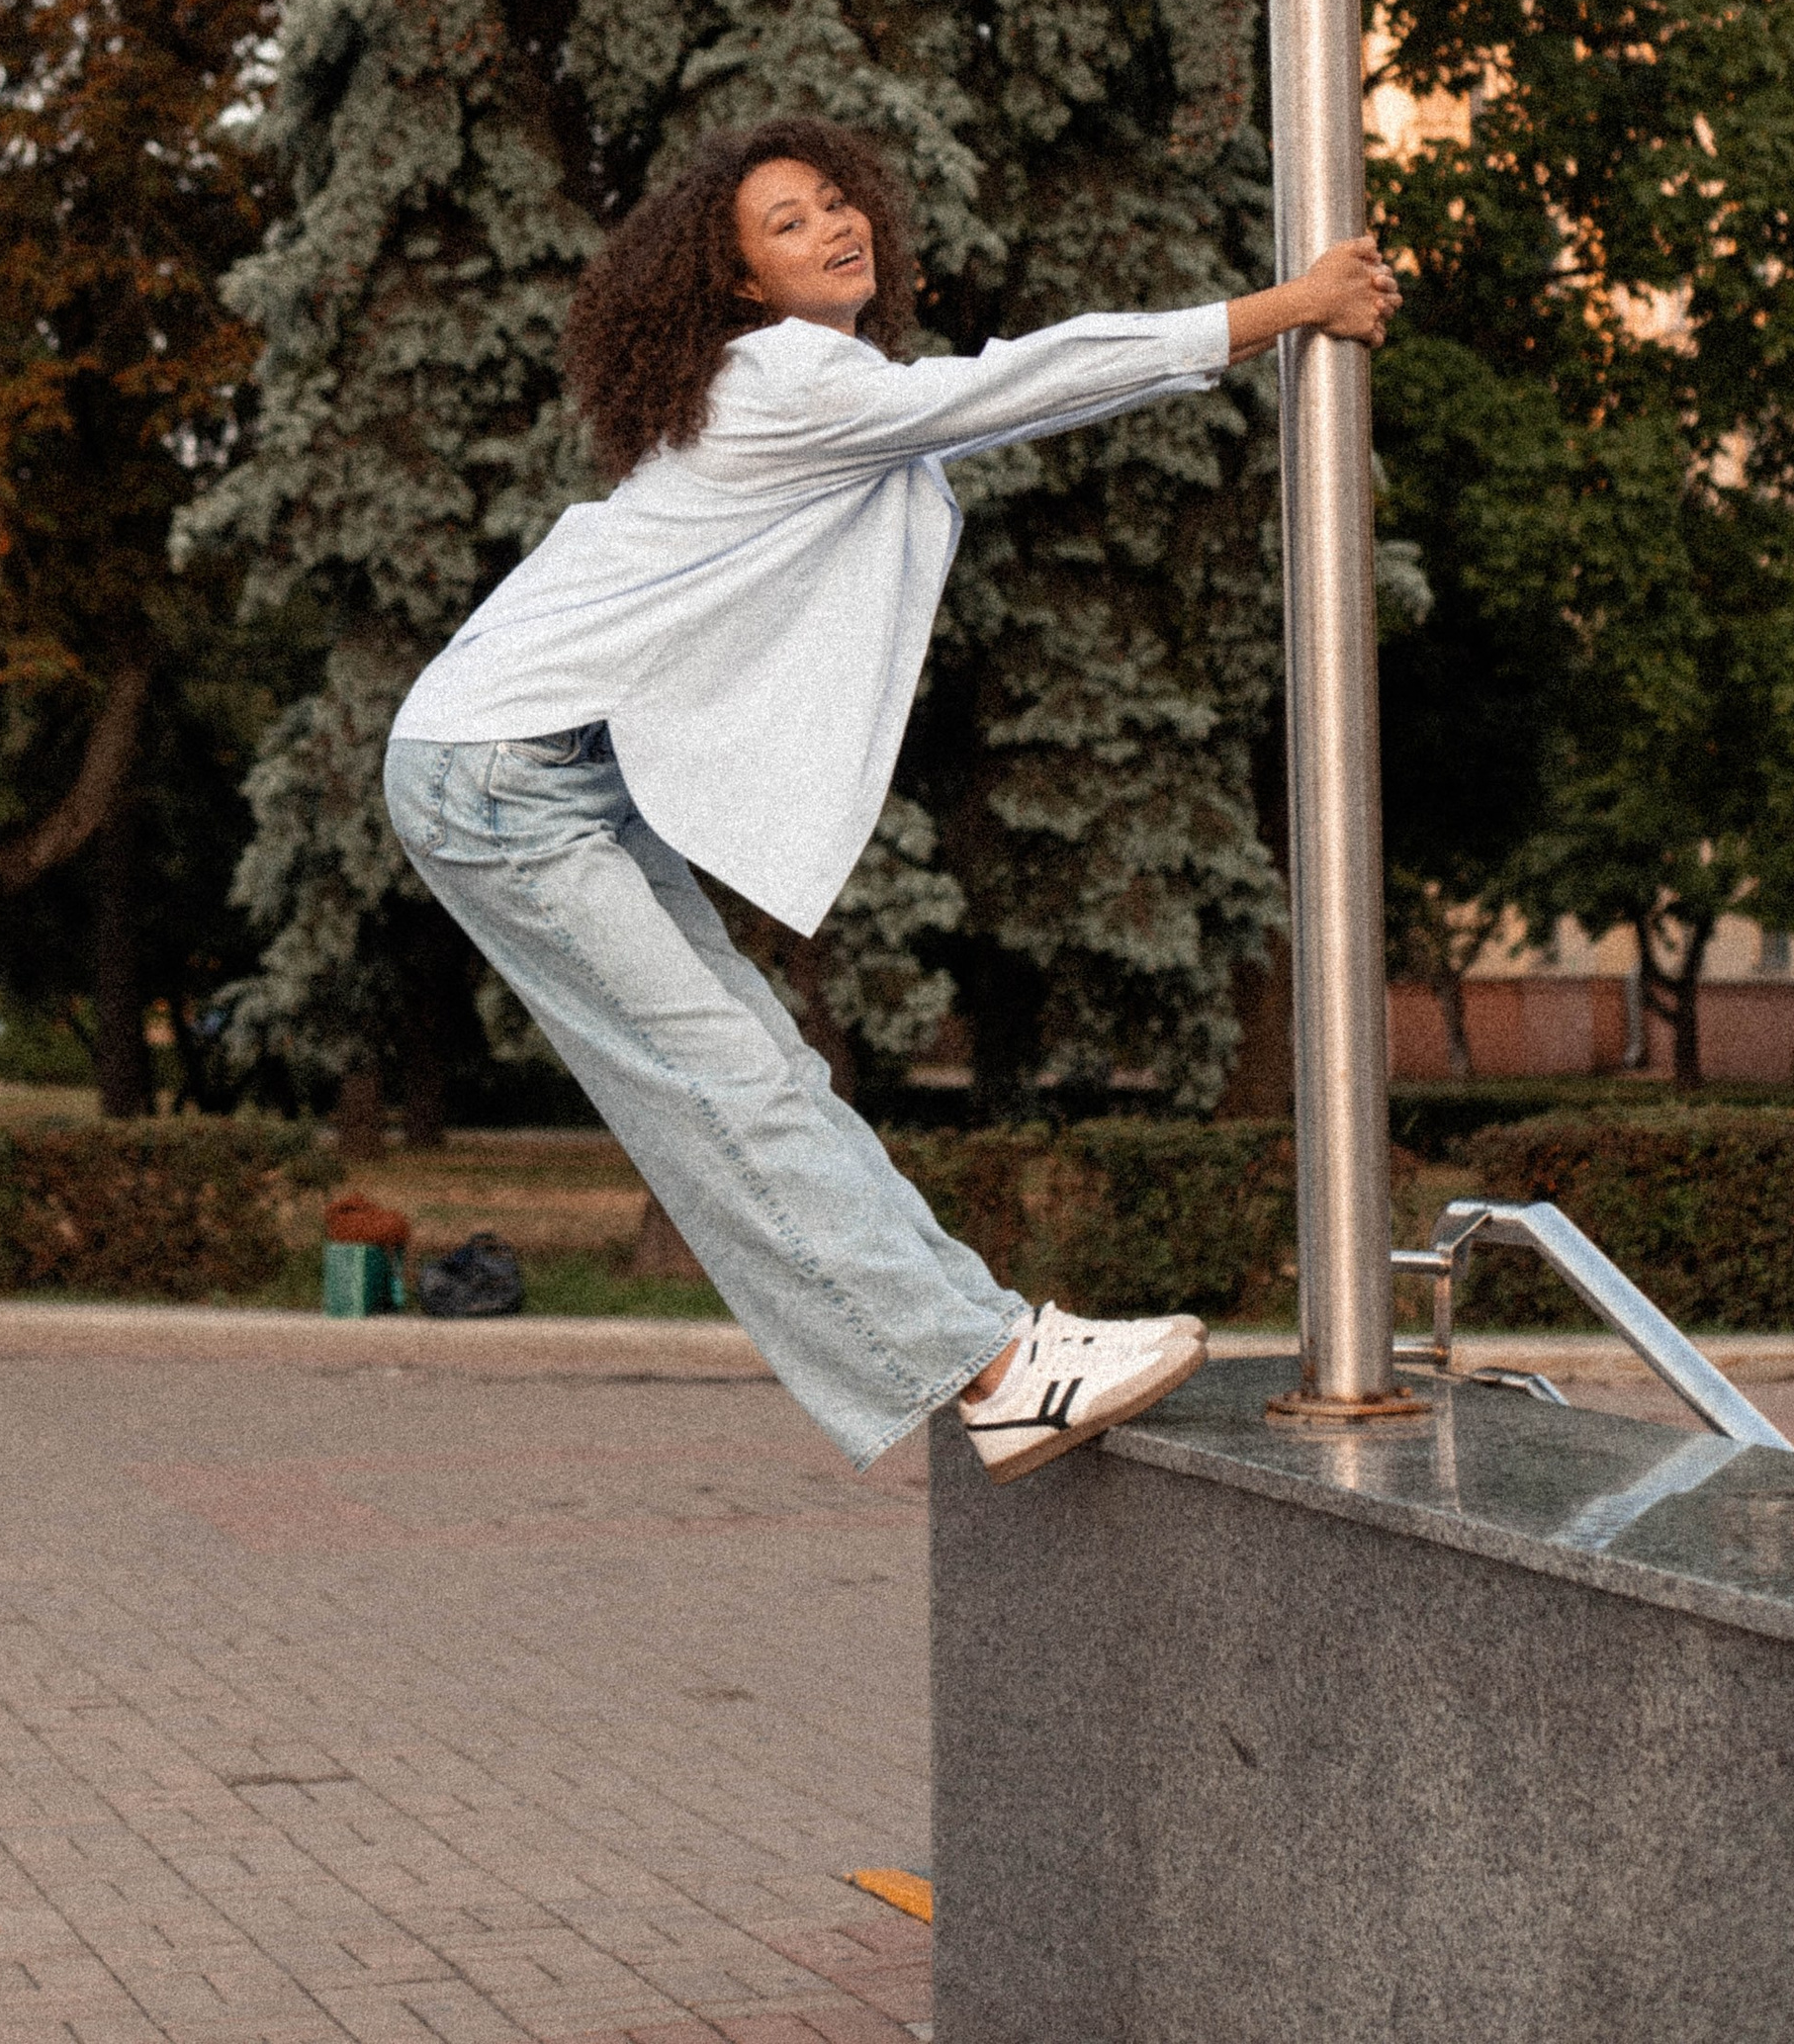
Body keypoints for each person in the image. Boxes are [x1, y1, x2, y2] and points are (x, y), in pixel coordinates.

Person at [384, 113, 1397, 1481]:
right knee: (732, 1085)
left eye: (834, 202)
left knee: (765, 1075)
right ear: (742, 282)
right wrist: (1293, 307)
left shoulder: (796, 385)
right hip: (500, 777)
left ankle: (994, 1348)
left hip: (541, 770)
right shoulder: (787, 379)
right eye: (786, 224)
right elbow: (1024, 385)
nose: (833, 226)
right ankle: (992, 1368)